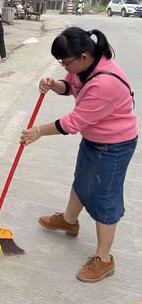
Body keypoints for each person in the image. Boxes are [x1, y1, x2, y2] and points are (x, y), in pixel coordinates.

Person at [20, 27, 137, 283]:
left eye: (65, 62)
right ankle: (69, 221)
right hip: (95, 139)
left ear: (83, 56)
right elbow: (71, 87)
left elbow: (73, 123)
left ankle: (104, 259)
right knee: (81, 181)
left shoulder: (105, 82)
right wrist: (55, 85)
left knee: (104, 198)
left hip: (114, 146)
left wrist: (39, 131)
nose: (64, 66)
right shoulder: (86, 66)